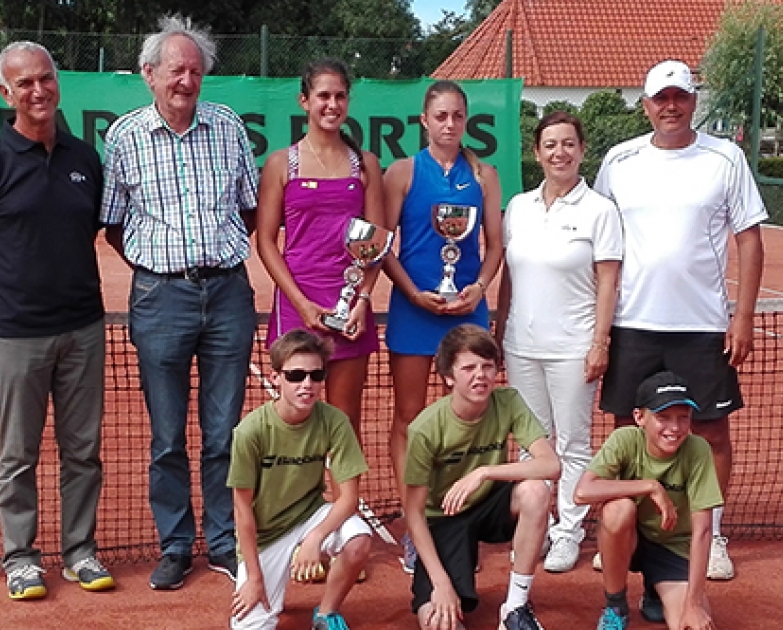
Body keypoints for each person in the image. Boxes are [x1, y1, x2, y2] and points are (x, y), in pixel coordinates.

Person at [0, 41, 114, 599]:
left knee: (82, 450)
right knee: (18, 455)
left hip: (84, 330)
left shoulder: (85, 159)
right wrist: (13, 286)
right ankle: (20, 558)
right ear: (5, 93)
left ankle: (79, 552)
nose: (37, 91)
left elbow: (86, 231)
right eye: (24, 84)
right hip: (16, 336)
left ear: (57, 81)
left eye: (45, 79)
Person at [100, 15, 258, 590]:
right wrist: (159, 269)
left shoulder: (228, 125)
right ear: (149, 75)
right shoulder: (123, 136)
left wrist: (210, 263)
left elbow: (248, 207)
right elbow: (114, 224)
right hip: (158, 297)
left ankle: (222, 542)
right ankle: (174, 545)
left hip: (228, 294)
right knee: (166, 436)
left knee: (224, 433)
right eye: (175, 70)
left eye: (195, 70)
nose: (187, 80)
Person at [593, 59, 767, 581]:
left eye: (680, 97)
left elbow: (750, 239)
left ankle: (708, 535)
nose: (671, 106)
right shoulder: (619, 161)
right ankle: (623, 531)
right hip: (632, 323)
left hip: (703, 325)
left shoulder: (726, 158)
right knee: (629, 432)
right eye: (660, 98)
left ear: (693, 101)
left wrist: (744, 318)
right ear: (645, 105)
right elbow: (600, 241)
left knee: (711, 433)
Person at [383, 80, 503, 572]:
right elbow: (382, 246)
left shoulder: (485, 175)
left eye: (457, 116)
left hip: (466, 313)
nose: (449, 124)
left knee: (470, 417)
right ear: (424, 121)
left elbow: (494, 246)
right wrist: (413, 293)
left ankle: (460, 522)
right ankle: (417, 525)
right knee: (410, 416)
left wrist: (477, 288)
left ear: (465, 120)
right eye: (440, 116)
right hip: (414, 311)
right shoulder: (402, 172)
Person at [494, 111, 622, 573]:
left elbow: (608, 282)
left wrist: (600, 342)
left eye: (568, 144)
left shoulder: (600, 210)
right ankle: (537, 526)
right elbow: (509, 275)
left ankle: (568, 530)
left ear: (581, 150)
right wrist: (501, 326)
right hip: (521, 345)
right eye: (550, 145)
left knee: (571, 443)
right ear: (537, 153)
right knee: (534, 445)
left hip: (574, 347)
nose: (559, 153)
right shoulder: (519, 207)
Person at [256, 58, 384, 440]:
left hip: (350, 310)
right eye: (323, 95)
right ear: (304, 101)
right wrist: (301, 303)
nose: (332, 104)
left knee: (345, 425)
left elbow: (376, 241)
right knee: (294, 422)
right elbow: (265, 241)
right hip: (297, 306)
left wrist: (361, 300)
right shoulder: (281, 164)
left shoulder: (366, 165)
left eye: (340, 96)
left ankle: (340, 501)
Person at [404, 324, 560, 630]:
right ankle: (445, 587)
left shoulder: (509, 401)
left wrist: (484, 472)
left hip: (488, 504)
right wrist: (441, 583)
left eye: (488, 366)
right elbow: (413, 513)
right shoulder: (424, 429)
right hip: (444, 519)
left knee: (536, 492)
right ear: (449, 376)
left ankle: (515, 609)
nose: (480, 375)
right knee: (438, 622)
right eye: (469, 368)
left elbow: (551, 465)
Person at [228, 330, 371, 629]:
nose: (307, 385)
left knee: (358, 540)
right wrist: (254, 578)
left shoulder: (334, 421)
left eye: (316, 375)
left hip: (310, 515)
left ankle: (326, 613)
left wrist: (315, 537)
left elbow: (348, 498)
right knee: (249, 625)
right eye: (295, 376)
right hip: (266, 534)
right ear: (276, 377)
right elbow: (242, 511)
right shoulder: (250, 432)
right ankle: (268, 579)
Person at [574, 371, 722, 630]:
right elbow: (582, 492)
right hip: (629, 538)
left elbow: (703, 530)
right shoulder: (625, 440)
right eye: (663, 417)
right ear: (639, 417)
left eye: (683, 418)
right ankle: (616, 606)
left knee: (692, 627)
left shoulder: (698, 450)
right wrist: (650, 487)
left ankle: (655, 591)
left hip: (673, 548)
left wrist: (694, 604)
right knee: (618, 510)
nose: (674, 428)